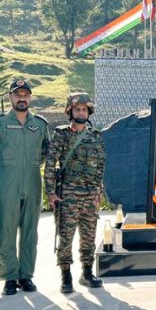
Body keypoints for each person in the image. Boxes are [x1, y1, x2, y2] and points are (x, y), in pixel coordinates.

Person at [0, 79, 49, 295]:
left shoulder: (40, 124)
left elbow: (46, 151)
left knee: (30, 231)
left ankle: (26, 275)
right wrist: (0, 172)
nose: (22, 98)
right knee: (7, 230)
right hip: (6, 184)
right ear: (10, 97)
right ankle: (9, 276)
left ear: (30, 98)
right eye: (17, 94)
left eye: (25, 95)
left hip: (32, 182)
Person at [45, 93, 106, 293]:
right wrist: (51, 193)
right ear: (70, 111)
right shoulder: (61, 134)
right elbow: (50, 164)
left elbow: (100, 166)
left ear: (89, 112)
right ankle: (65, 275)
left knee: (89, 235)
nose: (81, 112)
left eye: (84, 109)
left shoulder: (95, 135)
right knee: (66, 236)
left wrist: (98, 190)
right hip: (68, 194)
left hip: (89, 195)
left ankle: (87, 272)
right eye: (77, 109)